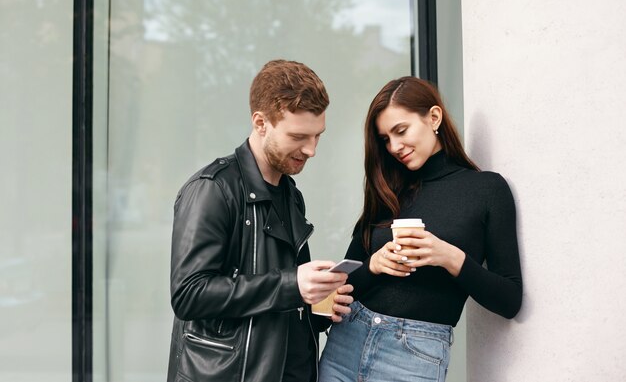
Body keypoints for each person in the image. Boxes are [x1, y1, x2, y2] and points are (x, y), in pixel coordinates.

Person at [318, 76, 523, 382]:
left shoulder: (486, 190)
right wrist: (373, 266)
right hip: (346, 343)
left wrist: (450, 258)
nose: (394, 147)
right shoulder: (388, 190)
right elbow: (336, 293)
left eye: (401, 131)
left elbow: (510, 300)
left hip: (415, 356)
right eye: (385, 138)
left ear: (434, 117)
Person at [167, 59, 354, 382]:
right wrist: (292, 283)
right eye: (299, 136)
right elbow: (189, 294)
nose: (311, 150)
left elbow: (283, 297)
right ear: (260, 122)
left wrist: (319, 303)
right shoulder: (212, 190)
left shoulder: (291, 193)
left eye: (317, 136)